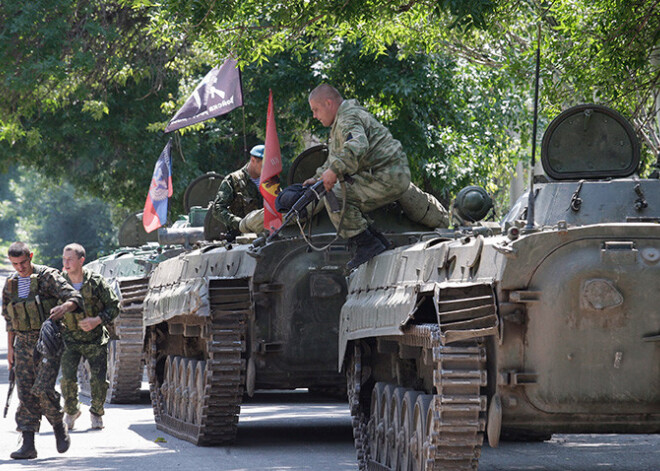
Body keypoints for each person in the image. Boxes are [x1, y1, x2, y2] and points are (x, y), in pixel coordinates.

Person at [305, 84, 411, 269]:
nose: (314, 115)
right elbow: (335, 158)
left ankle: (367, 244)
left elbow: (357, 146)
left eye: (316, 109)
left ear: (329, 103)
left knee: (334, 196)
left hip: (387, 176)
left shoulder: (348, 118)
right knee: (331, 190)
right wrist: (318, 177)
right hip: (385, 175)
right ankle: (376, 242)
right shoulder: (343, 119)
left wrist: (333, 172)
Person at [2, 241, 83, 459]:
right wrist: (10, 350)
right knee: (25, 393)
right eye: (15, 264)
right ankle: (28, 444)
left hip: (47, 341)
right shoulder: (11, 284)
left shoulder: (48, 277)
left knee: (43, 389)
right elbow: (9, 319)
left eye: (23, 262)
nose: (20, 268)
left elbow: (74, 297)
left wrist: (64, 308)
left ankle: (58, 426)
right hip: (22, 344)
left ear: (31, 256)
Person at [60, 243, 120, 431]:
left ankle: (96, 413)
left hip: (94, 339)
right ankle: (71, 410)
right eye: (64, 258)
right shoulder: (59, 282)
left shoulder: (96, 282)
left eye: (70, 259)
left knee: (99, 380)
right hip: (69, 339)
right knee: (67, 379)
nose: (66, 262)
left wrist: (97, 320)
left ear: (81, 261)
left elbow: (114, 306)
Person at [212, 144, 265, 239]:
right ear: (253, 160)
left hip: (267, 234)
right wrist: (239, 223)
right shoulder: (233, 180)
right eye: (263, 165)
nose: (266, 168)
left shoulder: (270, 182)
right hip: (242, 237)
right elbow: (217, 209)